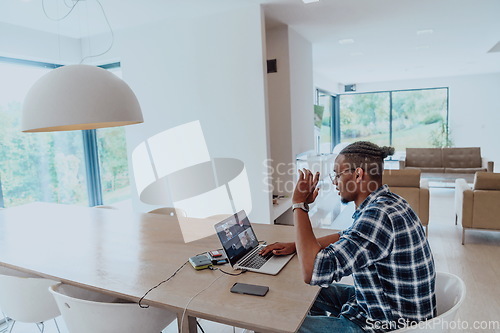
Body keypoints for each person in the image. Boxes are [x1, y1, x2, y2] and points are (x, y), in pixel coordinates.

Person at [261, 141, 436, 332]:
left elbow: (312, 272)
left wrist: (299, 205)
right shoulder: (389, 203)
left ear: (358, 174)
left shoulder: (378, 216)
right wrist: (296, 245)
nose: (335, 181)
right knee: (306, 293)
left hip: (387, 324)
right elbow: (347, 235)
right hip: (378, 302)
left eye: (337, 174)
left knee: (278, 324)